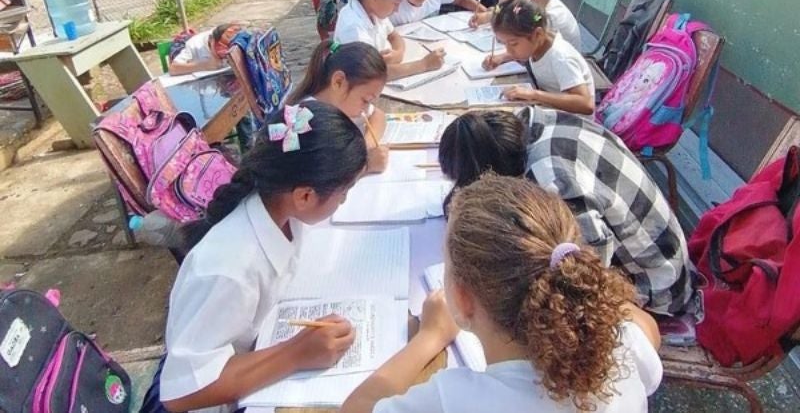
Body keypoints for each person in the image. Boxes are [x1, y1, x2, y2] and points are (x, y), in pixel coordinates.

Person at [340, 174, 663, 413]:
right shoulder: (619, 347)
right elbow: (648, 329)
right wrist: (598, 301)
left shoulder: (455, 401)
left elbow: (357, 407)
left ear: (464, 300)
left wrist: (429, 337)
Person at [141, 102, 368, 413]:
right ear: (304, 196)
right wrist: (295, 353)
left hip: (249, 363)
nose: (343, 201)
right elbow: (180, 395)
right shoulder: (229, 268)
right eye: (344, 193)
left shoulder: (279, 212)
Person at [437, 108, 700, 317]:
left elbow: (587, 271)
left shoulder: (552, 181)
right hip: (648, 251)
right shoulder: (527, 124)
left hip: (655, 285)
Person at [287, 40, 390, 173]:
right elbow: (295, 174)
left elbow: (378, 116)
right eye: (365, 100)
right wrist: (365, 166)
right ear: (338, 82)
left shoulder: (346, 105)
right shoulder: (299, 117)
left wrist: (366, 145)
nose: (366, 109)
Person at [483, 0, 594, 114]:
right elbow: (522, 48)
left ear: (537, 34)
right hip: (552, 108)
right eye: (503, 43)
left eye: (513, 43)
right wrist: (502, 57)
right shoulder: (539, 44)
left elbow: (586, 104)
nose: (509, 50)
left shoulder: (560, 57)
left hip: (573, 122)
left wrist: (534, 95)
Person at [335, 0, 447, 80]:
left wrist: (398, 53)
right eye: (396, 3)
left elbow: (394, 35)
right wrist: (424, 64)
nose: (397, 9)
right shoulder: (353, 27)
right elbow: (373, 73)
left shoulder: (374, 9)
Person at [168, 23, 242, 76]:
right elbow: (173, 69)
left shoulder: (236, 40)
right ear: (211, 40)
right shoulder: (193, 45)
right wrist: (203, 65)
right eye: (218, 51)